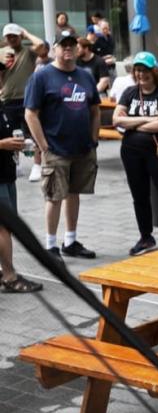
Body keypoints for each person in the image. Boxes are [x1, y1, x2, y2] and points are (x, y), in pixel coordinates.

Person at [23, 29, 100, 261]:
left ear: (77, 48)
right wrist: (44, 145)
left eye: (71, 45)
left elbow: (95, 110)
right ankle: (50, 245)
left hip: (82, 148)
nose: (67, 48)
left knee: (74, 193)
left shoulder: (85, 76)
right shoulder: (42, 76)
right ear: (54, 49)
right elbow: (30, 114)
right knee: (54, 196)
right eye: (62, 45)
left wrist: (94, 139)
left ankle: (70, 240)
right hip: (55, 148)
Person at [112, 52, 158, 256]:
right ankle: (146, 238)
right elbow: (116, 120)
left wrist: (132, 124)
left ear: (154, 71)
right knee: (139, 196)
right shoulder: (129, 92)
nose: (141, 74)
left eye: (145, 70)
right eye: (138, 70)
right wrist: (148, 119)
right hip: (131, 153)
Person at [0, 113, 41, 293]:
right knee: (3, 228)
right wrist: (2, 144)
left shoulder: (3, 108)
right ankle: (9, 277)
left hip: (7, 174)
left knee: (7, 228)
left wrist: (18, 145)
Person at [0, 23, 44, 182]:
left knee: (32, 134)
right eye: (8, 36)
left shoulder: (28, 52)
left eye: (14, 35)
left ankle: (37, 165)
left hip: (27, 98)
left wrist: (26, 33)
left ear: (19, 36)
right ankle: (14, 163)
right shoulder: (2, 53)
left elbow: (41, 46)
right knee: (11, 134)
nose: (11, 39)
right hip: (7, 99)